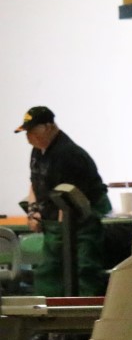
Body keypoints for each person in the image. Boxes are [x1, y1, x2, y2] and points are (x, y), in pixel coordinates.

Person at [17, 106, 112, 296]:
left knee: (84, 270)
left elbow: (70, 197)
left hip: (82, 218)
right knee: (49, 272)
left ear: (49, 127)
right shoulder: (38, 152)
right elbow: (35, 182)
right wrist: (33, 211)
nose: (28, 137)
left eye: (32, 131)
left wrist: (61, 229)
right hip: (55, 218)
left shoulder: (68, 154)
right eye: (26, 132)